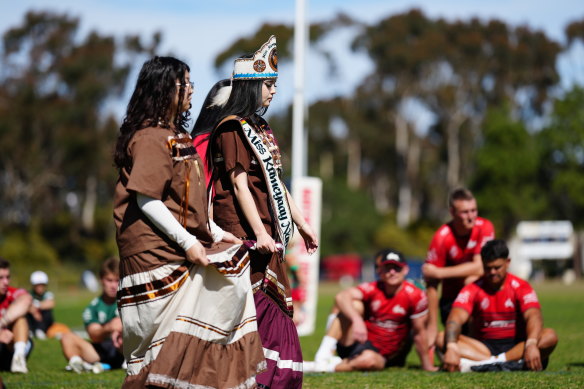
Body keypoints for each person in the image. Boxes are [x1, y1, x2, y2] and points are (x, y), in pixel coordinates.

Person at [113, 56, 265, 388]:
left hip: (180, 248)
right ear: (164, 88)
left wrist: (217, 233)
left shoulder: (177, 134)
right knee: (161, 350)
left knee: (197, 328)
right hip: (154, 254)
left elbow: (189, 202)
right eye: (185, 83)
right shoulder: (152, 136)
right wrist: (190, 242)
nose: (191, 90)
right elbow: (147, 200)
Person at [197, 35, 318, 388]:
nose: (274, 91)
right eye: (269, 84)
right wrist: (260, 234)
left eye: (275, 85)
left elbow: (275, 182)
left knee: (278, 322)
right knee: (259, 323)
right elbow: (238, 184)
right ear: (250, 86)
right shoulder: (232, 127)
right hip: (244, 237)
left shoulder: (261, 128)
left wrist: (302, 223)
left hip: (268, 235)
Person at [305, 249, 436, 373]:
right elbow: (341, 297)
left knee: (369, 360)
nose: (392, 272)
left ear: (405, 270)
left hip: (386, 354)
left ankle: (319, 366)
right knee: (353, 305)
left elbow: (419, 333)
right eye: (387, 268)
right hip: (361, 342)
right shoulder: (373, 288)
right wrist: (357, 320)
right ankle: (323, 354)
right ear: (380, 271)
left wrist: (427, 366)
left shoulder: (415, 295)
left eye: (396, 268)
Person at [438, 239, 558, 372]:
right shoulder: (473, 288)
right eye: (488, 268)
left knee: (549, 336)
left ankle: (485, 365)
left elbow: (533, 315)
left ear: (508, 263)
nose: (493, 272)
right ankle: (506, 365)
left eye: (497, 267)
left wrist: (531, 344)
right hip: (483, 349)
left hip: (516, 345)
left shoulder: (521, 286)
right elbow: (455, 317)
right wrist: (451, 347)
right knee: (441, 338)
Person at [422, 188, 495, 347]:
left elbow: (480, 268)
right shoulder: (442, 237)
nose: (471, 216)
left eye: (474, 210)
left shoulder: (485, 227)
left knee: (471, 280)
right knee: (446, 345)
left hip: (482, 301)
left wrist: (440, 272)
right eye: (465, 212)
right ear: (452, 212)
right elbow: (431, 282)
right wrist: (432, 326)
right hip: (451, 302)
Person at [60, 257, 124, 374]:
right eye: (109, 280)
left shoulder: (128, 301)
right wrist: (109, 327)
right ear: (101, 280)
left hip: (124, 347)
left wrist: (121, 326)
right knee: (66, 337)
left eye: (117, 280)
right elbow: (94, 335)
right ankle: (77, 363)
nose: (114, 285)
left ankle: (129, 360)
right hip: (100, 351)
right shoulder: (93, 307)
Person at [0, 258, 33, 373]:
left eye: (7, 277)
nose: (6, 282)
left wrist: (2, 323)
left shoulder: (12, 292)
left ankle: (18, 358)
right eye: (1, 278)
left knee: (20, 319)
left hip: (10, 346)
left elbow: (26, 300)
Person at [26, 270, 54, 340]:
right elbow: (26, 306)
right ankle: (29, 330)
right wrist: (34, 312)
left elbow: (50, 304)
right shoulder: (28, 294)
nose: (40, 287)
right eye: (37, 285)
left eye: (41, 285)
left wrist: (35, 306)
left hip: (44, 321)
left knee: (47, 312)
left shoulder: (48, 294)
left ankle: (41, 330)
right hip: (32, 320)